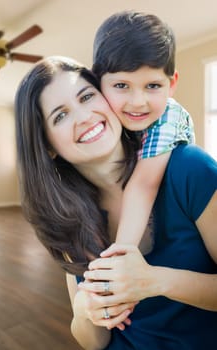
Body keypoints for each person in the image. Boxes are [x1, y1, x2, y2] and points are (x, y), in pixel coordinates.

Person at [14, 56, 217, 349]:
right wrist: (86, 312)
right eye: (60, 115)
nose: (84, 117)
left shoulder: (189, 169)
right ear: (47, 146)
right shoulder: (66, 218)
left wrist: (156, 281)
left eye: (87, 97)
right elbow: (93, 342)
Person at [92, 11, 195, 250]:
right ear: (98, 82)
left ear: (172, 84)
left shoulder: (169, 116)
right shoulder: (105, 117)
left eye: (152, 85)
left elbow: (144, 185)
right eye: (121, 85)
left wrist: (122, 253)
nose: (138, 101)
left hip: (177, 218)